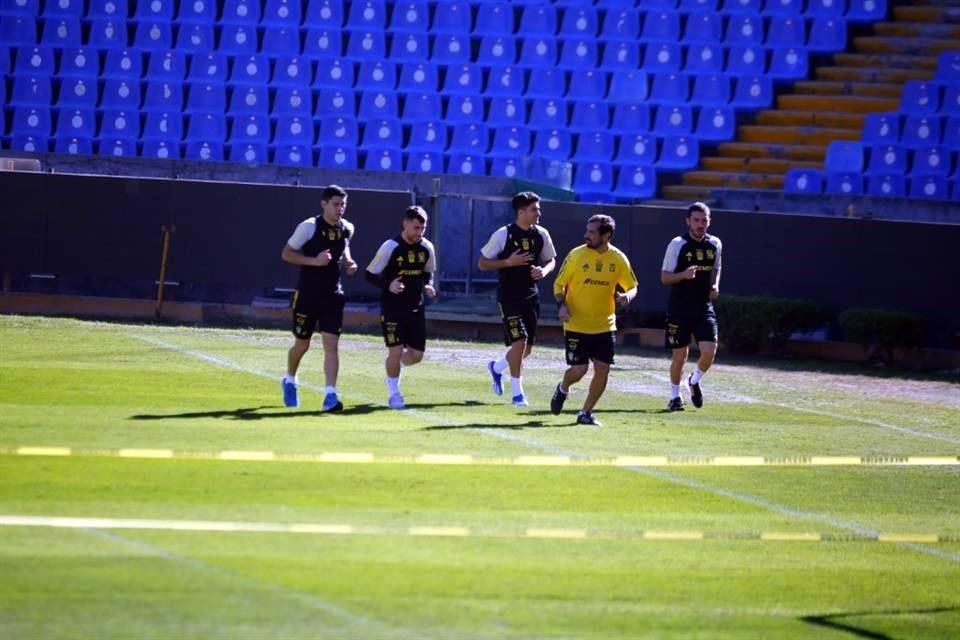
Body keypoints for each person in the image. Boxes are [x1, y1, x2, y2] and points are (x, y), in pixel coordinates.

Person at [550, 214, 638, 426]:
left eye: (592, 232)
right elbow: (558, 285)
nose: (586, 235)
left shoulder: (618, 259)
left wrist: (627, 296)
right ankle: (563, 387)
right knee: (579, 370)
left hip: (604, 325)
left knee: (603, 369)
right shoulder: (576, 255)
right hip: (576, 324)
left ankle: (585, 413)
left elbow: (633, 286)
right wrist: (562, 305)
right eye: (587, 230)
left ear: (606, 235)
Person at [280, 185, 357, 411]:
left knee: (331, 345)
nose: (340, 209)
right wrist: (315, 261)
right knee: (302, 344)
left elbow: (345, 247)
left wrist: (349, 262)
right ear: (324, 204)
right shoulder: (309, 227)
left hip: (333, 295)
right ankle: (290, 380)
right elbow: (286, 254)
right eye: (336, 204)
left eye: (343, 204)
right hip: (307, 294)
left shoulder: (348, 228)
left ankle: (330, 395)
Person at [478, 192, 557, 407]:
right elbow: (482, 263)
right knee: (519, 342)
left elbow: (551, 260)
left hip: (531, 296)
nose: (539, 213)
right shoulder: (503, 234)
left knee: (526, 349)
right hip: (508, 296)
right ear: (520, 212)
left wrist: (544, 270)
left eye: (538, 209)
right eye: (534, 209)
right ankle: (517, 394)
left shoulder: (541, 234)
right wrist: (508, 262)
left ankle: (496, 368)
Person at [365, 205, 437, 410]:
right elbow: (369, 274)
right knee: (395, 351)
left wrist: (428, 285)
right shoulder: (390, 246)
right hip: (392, 307)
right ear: (405, 224)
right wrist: (389, 285)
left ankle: (392, 367)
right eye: (416, 227)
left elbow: (427, 272)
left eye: (423, 228)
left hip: (416, 307)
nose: (419, 233)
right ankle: (394, 393)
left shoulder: (427, 248)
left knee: (416, 356)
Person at [660, 201, 723, 412]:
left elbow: (716, 268)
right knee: (680, 357)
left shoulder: (715, 244)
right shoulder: (677, 244)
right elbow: (665, 277)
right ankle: (675, 397)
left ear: (709, 222)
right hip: (679, 308)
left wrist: (715, 284)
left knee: (709, 351)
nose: (700, 224)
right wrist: (684, 275)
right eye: (696, 220)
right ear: (688, 221)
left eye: (704, 220)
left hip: (703, 307)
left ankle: (694, 380)